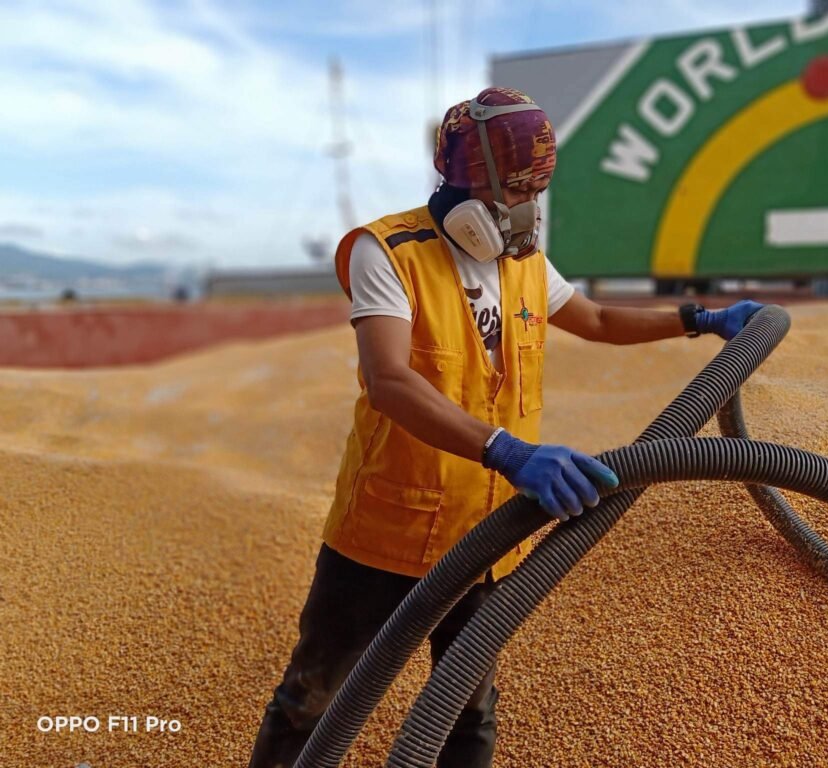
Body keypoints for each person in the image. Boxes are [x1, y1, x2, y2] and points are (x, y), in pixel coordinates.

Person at [247, 86, 763, 768]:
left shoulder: (522, 263)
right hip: (383, 536)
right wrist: (510, 451)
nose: (524, 208)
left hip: (485, 531)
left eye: (533, 189)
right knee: (312, 703)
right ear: (462, 185)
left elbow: (599, 321)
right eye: (509, 189)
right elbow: (390, 381)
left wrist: (698, 319)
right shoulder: (389, 253)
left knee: (466, 708)